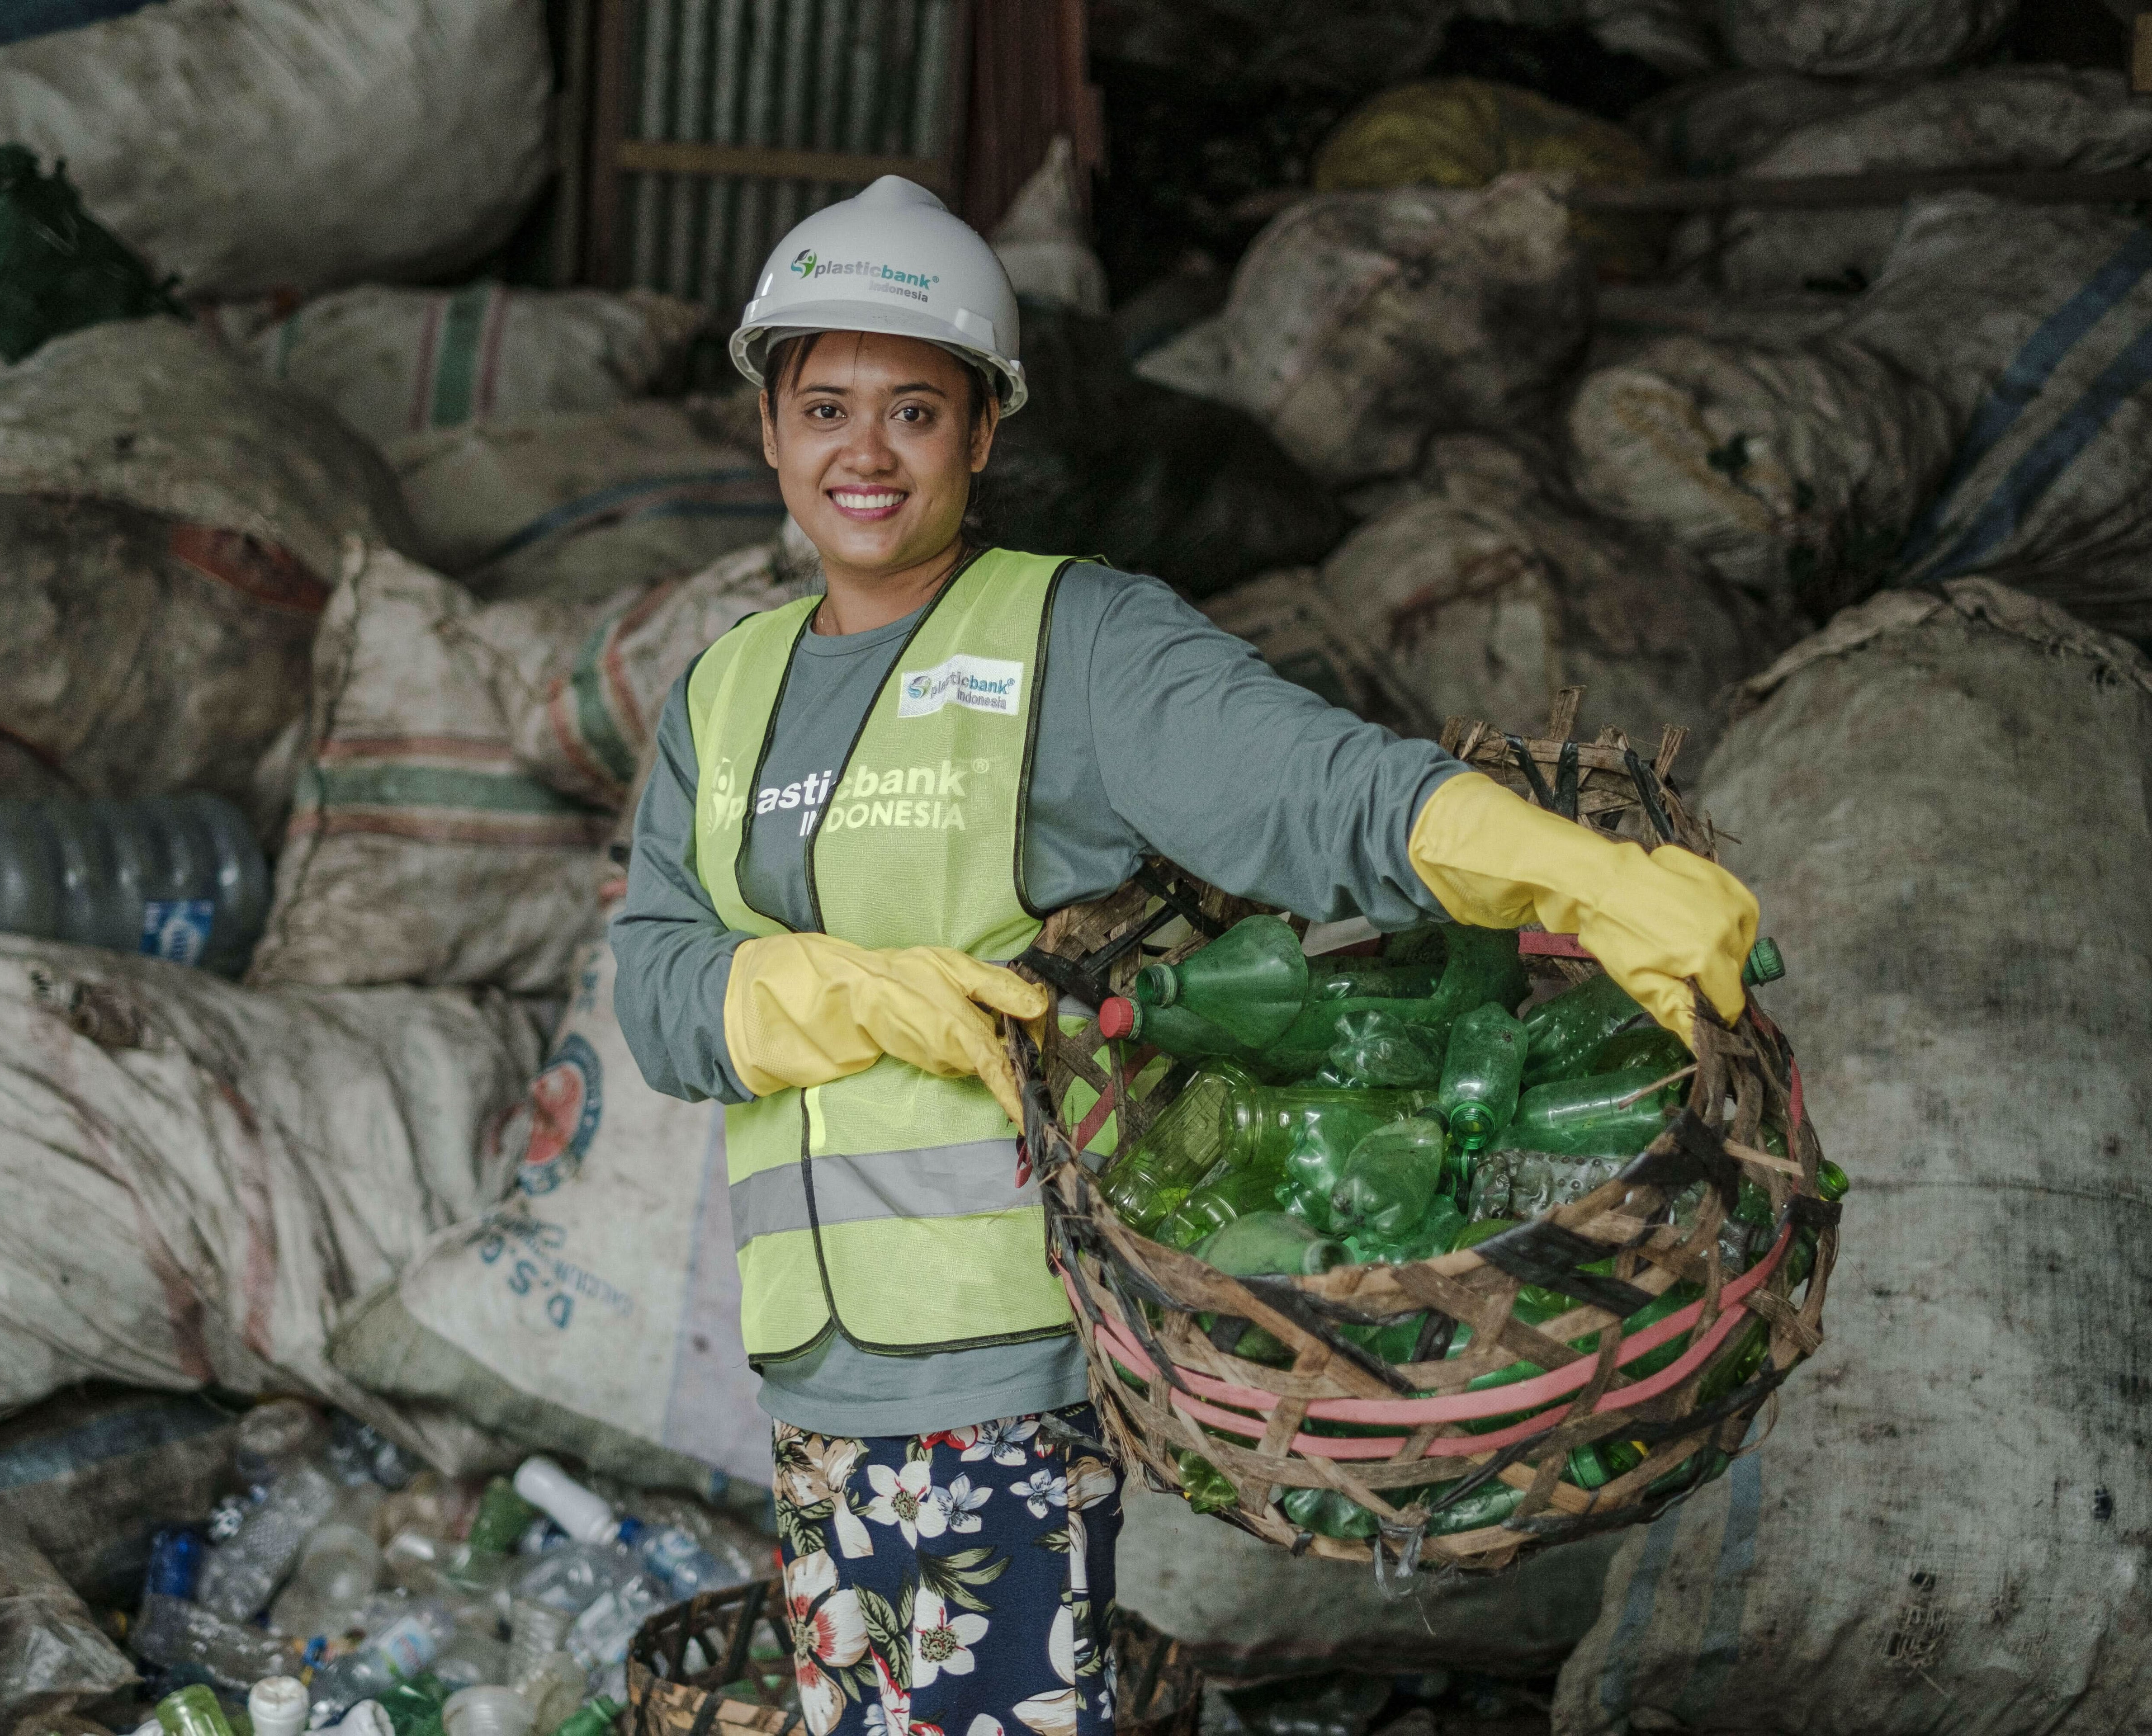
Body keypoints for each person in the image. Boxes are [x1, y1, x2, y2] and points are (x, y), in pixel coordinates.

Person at [611, 176, 1759, 1736]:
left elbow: (1310, 788)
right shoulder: (721, 694)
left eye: (915, 410)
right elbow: (658, 986)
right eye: (824, 406)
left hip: (1002, 1357)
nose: (863, 454)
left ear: (984, 435)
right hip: (814, 1375)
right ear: (767, 429)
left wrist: (1561, 867)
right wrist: (801, 989)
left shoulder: (1072, 642)